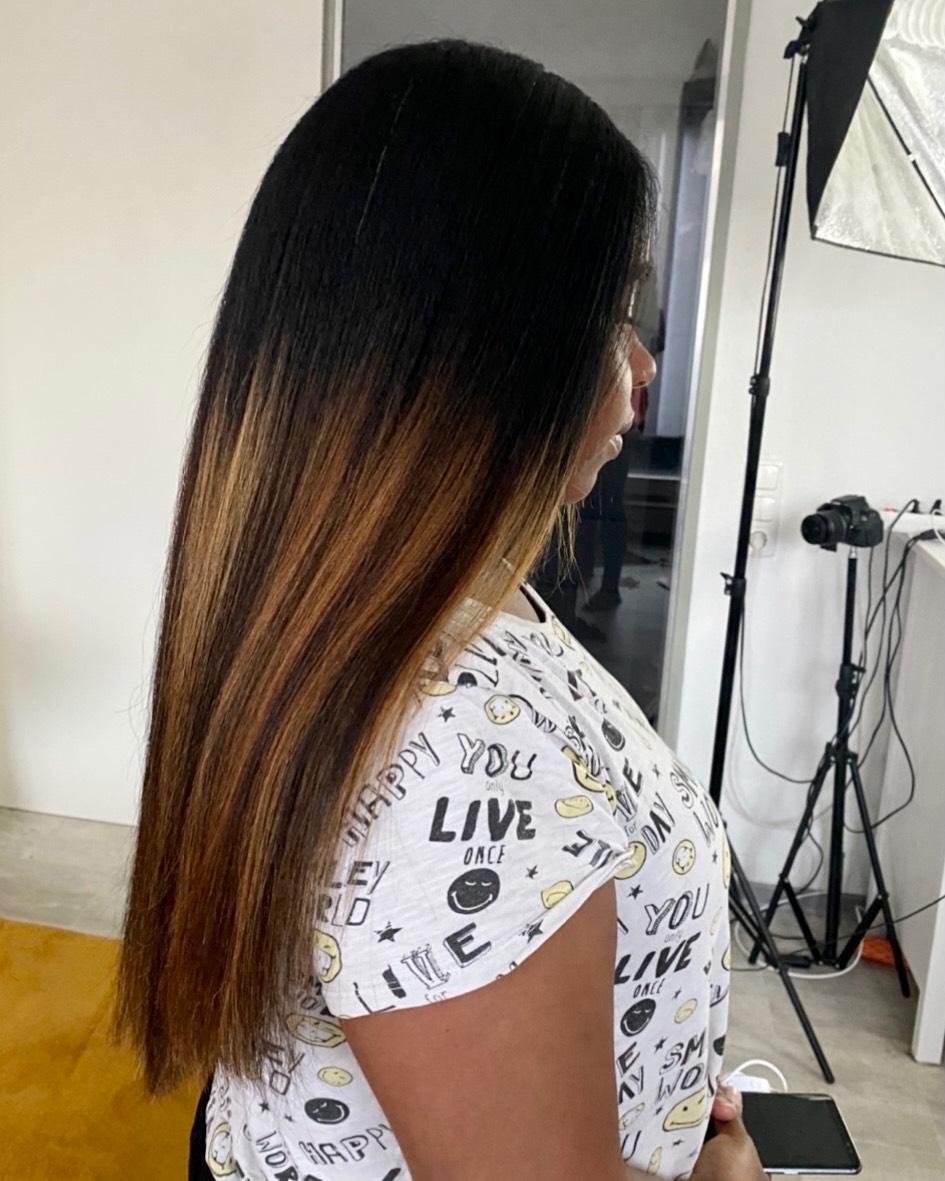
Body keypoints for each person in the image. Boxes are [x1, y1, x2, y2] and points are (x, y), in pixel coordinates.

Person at [114, 39, 766, 1181]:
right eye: (613, 315)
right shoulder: (457, 757)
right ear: (479, 353)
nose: (642, 365)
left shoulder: (408, 607)